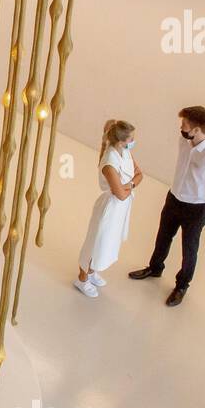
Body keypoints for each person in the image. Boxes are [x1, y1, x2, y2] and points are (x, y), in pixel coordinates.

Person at [129, 105, 205, 306]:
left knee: (189, 248)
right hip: (174, 197)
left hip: (196, 207)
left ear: (197, 129)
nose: (181, 127)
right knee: (163, 236)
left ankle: (182, 285)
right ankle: (155, 267)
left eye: (184, 124)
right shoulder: (184, 141)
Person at [73, 120, 142, 298]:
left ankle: (92, 271)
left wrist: (129, 184)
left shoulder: (125, 152)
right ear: (121, 141)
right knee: (95, 242)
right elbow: (119, 194)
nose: (133, 142)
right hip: (110, 208)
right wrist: (130, 186)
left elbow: (140, 174)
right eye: (131, 139)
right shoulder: (109, 163)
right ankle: (82, 278)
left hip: (121, 208)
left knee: (107, 244)